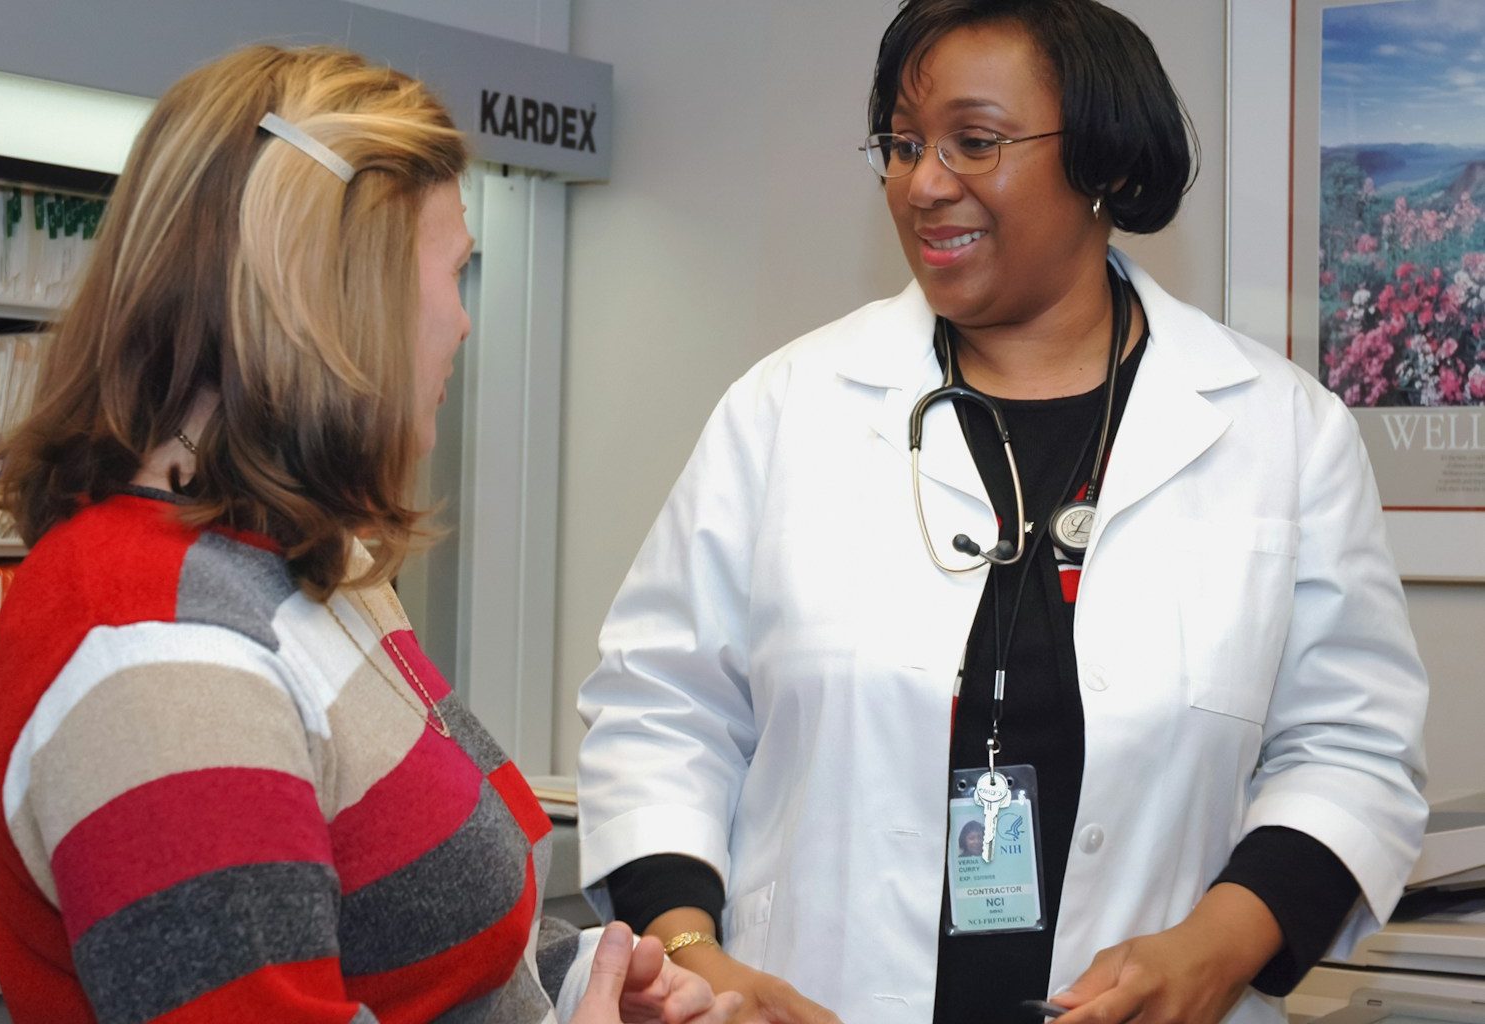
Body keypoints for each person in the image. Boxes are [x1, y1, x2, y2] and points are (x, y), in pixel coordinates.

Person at [574, 2, 1428, 1023]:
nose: (924, 183)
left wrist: (1216, 948)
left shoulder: (1279, 431)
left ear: (1104, 161)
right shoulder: (787, 409)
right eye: (901, 143)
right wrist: (689, 949)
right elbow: (659, 712)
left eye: (973, 142)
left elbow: (1351, 750)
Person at [0, 44, 738, 1024]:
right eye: (454, 273)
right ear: (340, 297)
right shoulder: (154, 653)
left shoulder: (314, 568)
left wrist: (580, 984)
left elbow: (411, 968)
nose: (461, 322)